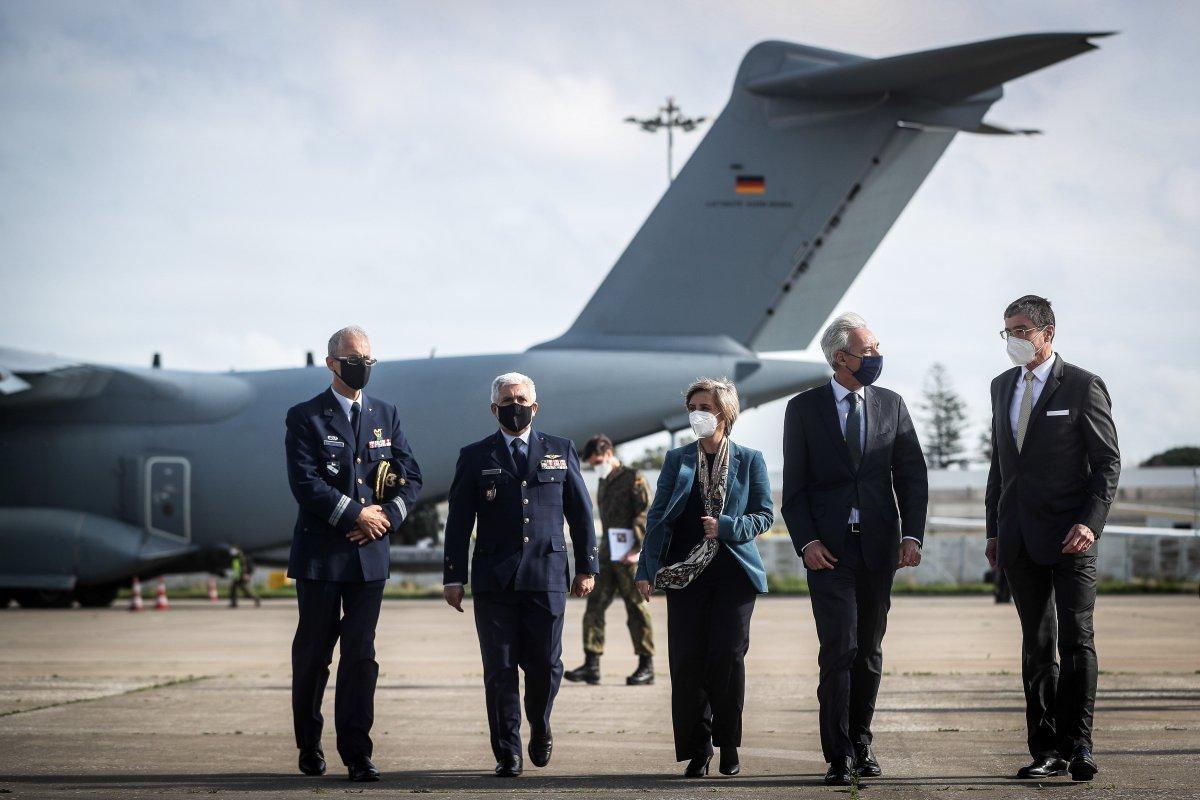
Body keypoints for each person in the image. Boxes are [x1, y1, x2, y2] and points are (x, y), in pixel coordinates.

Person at [781, 312, 927, 786]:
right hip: (830, 551)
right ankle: (838, 753)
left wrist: (913, 534)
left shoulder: (892, 405)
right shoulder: (804, 409)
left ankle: (862, 742)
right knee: (838, 650)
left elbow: (912, 475)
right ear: (841, 358)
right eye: (869, 350)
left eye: (877, 347)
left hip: (880, 548)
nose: (877, 356)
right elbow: (795, 490)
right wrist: (806, 542)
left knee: (868, 651)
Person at [985, 295, 1120, 782]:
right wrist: (993, 530)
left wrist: (1090, 523)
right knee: (1037, 645)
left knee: (1077, 640)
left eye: (1022, 330)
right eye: (1008, 331)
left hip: (1071, 538)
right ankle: (1045, 749)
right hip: (1018, 538)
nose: (1014, 339)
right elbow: (1000, 466)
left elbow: (1107, 463)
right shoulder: (1002, 386)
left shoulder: (1083, 385)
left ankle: (1078, 744)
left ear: (1048, 332)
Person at [442, 372, 599, 778]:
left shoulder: (560, 450)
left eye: (522, 400)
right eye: (507, 401)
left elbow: (581, 513)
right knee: (500, 668)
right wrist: (453, 576)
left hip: (547, 574)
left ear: (535, 406)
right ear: (494, 409)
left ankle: (540, 724)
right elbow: (458, 522)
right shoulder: (475, 456)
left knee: (546, 664)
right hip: (494, 579)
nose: (516, 407)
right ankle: (507, 751)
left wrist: (587, 566)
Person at [284, 325, 423, 782]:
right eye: (353, 359)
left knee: (361, 656)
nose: (362, 366)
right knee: (314, 656)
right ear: (332, 363)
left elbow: (410, 477)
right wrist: (356, 515)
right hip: (322, 558)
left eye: (368, 359)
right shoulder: (306, 416)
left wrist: (386, 515)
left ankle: (357, 752)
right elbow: (306, 483)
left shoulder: (386, 413)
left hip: (369, 557)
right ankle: (309, 743)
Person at [635, 377, 773, 779]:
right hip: (685, 575)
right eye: (692, 408)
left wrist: (727, 526)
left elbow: (765, 515)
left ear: (724, 413)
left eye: (705, 408)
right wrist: (646, 569)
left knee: (727, 659)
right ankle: (698, 750)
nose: (697, 415)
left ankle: (728, 745)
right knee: (688, 662)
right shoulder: (677, 459)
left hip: (734, 576)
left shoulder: (750, 459)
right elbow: (657, 516)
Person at [564, 434, 655, 686]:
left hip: (631, 557)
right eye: (592, 464)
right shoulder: (604, 481)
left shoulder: (634, 477)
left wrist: (638, 549)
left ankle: (646, 666)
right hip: (607, 553)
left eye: (597, 461)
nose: (596, 467)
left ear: (608, 453)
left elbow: (645, 514)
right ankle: (591, 664)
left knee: (637, 609)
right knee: (594, 607)